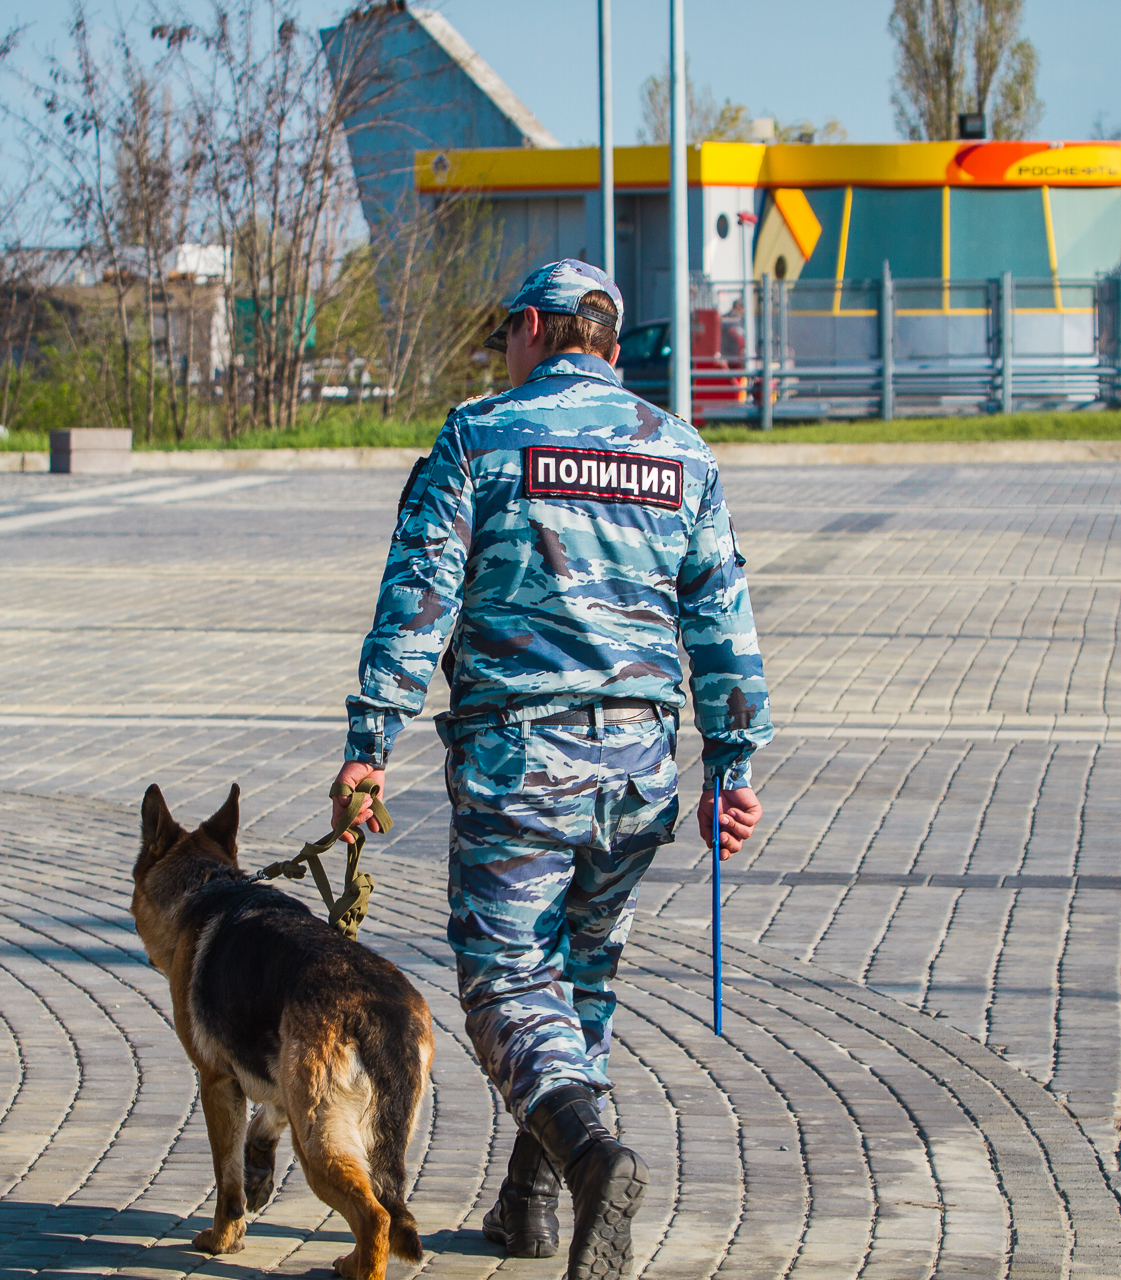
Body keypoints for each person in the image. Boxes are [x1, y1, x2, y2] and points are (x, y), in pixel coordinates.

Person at [332, 259, 774, 1280]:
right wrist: (733, 765)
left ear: (532, 327)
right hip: (639, 775)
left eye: (507, 333)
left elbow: (418, 601)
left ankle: (592, 1157)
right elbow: (723, 622)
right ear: (611, 344)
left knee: (509, 987)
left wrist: (368, 745)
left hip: (520, 766)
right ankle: (533, 1206)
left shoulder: (479, 435)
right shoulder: (681, 450)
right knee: (582, 980)